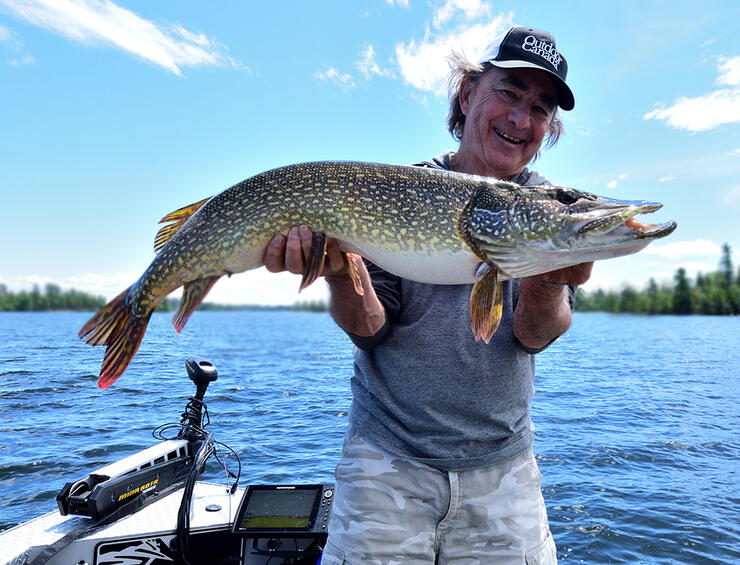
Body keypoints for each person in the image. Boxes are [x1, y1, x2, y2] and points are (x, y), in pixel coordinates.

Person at [264, 25, 592, 565]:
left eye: (540, 108)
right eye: (509, 93)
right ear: (468, 94)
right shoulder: (396, 192)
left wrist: (551, 277)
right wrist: (342, 272)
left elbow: (533, 337)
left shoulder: (547, 207)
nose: (520, 119)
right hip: (385, 466)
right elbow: (371, 330)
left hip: (503, 471)